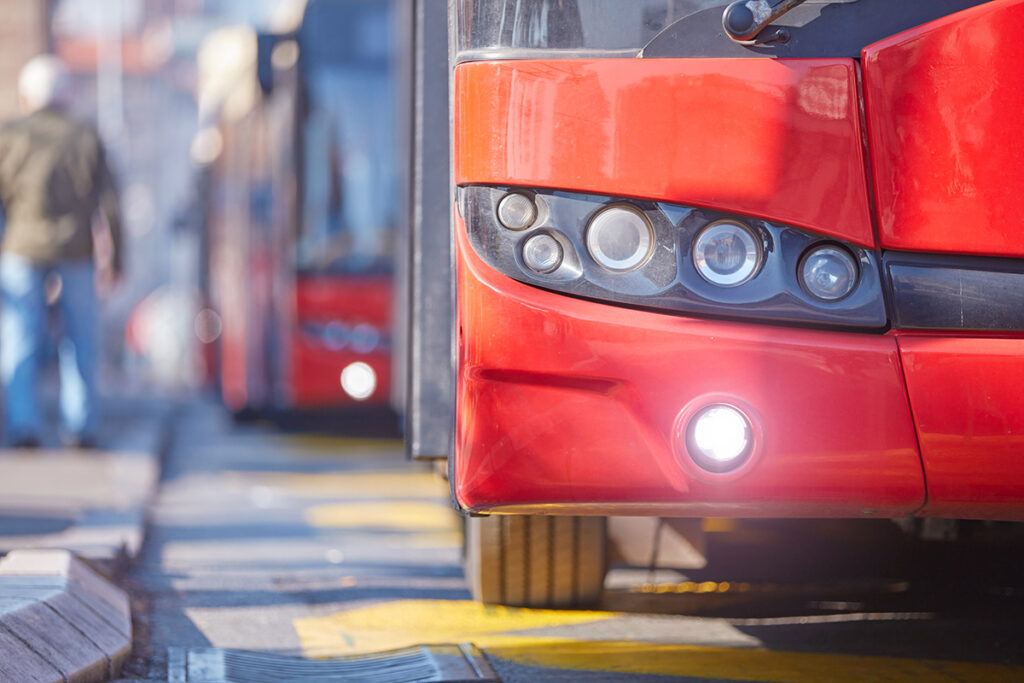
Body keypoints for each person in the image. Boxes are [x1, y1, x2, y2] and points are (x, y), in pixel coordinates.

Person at [0, 55, 123, 448]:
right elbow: (110, 204)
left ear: (26, 97)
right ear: (66, 96)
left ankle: (24, 425)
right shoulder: (86, 136)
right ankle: (80, 426)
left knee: (21, 337)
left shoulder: (10, 136)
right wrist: (117, 258)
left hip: (21, 248)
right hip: (76, 250)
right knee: (80, 340)